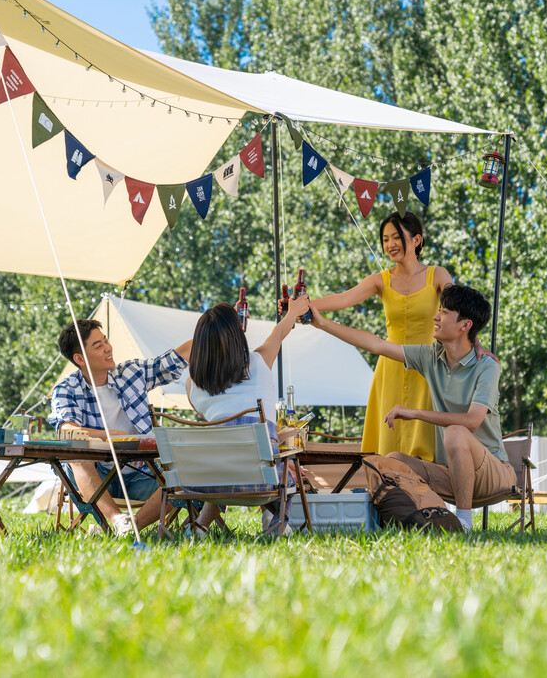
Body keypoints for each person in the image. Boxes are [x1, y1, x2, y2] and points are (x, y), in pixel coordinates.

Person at [309, 285, 512, 531]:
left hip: (493, 473)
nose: (436, 317)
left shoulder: (486, 366)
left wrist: (414, 413)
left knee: (456, 432)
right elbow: (376, 345)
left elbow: (471, 422)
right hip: (451, 474)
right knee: (392, 462)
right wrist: (322, 324)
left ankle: (464, 523)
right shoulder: (431, 357)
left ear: (465, 325)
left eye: (444, 312)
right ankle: (432, 517)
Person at [308, 211, 463, 461]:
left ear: (416, 240)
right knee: (387, 448)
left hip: (429, 369)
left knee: (425, 448)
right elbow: (343, 298)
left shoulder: (438, 275)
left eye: (396, 237)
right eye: (385, 239)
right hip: (389, 369)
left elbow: (460, 306)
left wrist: (475, 343)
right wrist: (303, 304)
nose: (390, 244)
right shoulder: (381, 280)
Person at [47, 318, 192, 537]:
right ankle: (117, 520)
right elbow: (67, 431)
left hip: (139, 474)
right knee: (78, 459)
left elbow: (173, 360)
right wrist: (114, 436)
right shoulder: (66, 389)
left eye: (105, 341)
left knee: (187, 477)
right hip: (94, 477)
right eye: (98, 345)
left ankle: (129, 529)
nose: (108, 348)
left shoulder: (131, 373)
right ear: (79, 358)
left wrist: (214, 328)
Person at [183, 294, 311, 536]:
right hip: (262, 484)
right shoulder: (260, 363)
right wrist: (293, 311)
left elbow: (214, 414)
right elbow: (280, 332)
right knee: (278, 459)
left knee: (229, 455)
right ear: (237, 338)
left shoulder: (192, 385)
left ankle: (200, 525)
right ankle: (274, 519)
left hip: (210, 483)